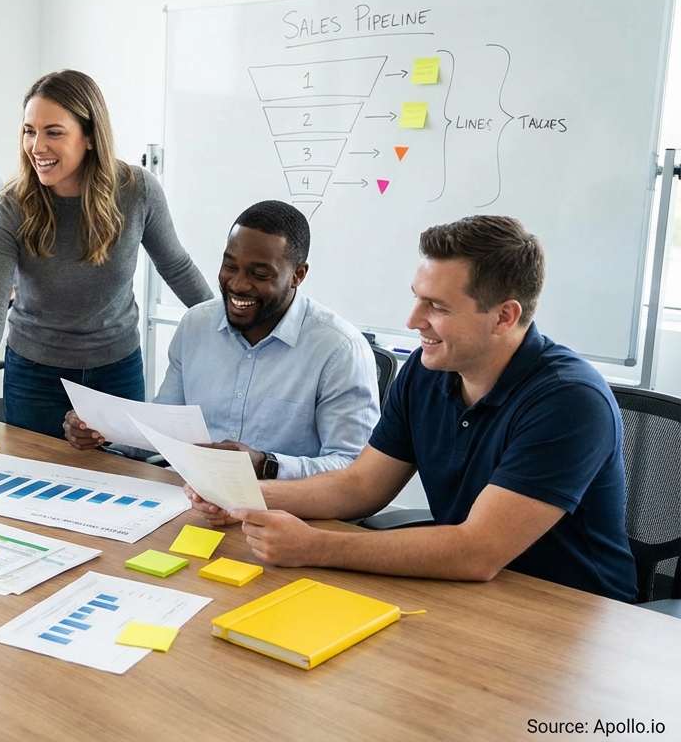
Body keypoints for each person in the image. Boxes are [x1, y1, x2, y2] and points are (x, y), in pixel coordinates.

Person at [187, 216, 637, 602]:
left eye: (436, 306)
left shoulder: (570, 401)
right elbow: (361, 486)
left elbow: (476, 550)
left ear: (503, 317)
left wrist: (314, 546)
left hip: (569, 612)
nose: (412, 319)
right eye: (417, 296)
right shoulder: (430, 369)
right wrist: (241, 499)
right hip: (465, 594)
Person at [0, 69, 213, 470]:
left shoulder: (137, 191)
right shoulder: (10, 206)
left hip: (117, 372)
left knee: (124, 483)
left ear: (89, 137)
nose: (37, 146)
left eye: (54, 132)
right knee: (37, 486)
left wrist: (229, 329)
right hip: (35, 377)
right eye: (28, 131)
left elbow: (177, 267)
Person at [64, 200, 379, 479]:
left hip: (286, 513)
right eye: (230, 266)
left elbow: (354, 469)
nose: (238, 285)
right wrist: (102, 433)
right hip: (192, 498)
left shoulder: (339, 351)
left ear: (298, 274)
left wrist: (266, 465)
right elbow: (165, 428)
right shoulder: (195, 325)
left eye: (260, 274)